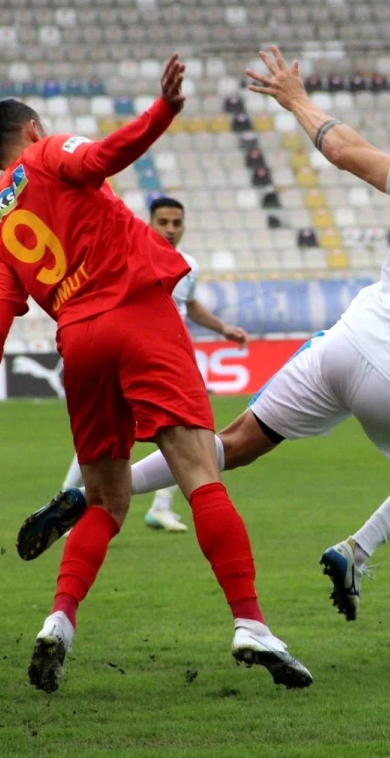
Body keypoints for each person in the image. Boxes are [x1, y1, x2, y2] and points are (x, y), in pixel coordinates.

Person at [15, 46, 390, 623]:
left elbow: (343, 149)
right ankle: (356, 551)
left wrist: (293, 97)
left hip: (341, 346)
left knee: (231, 443)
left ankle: (83, 495)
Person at [0, 53, 312, 693]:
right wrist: (164, 112)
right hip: (137, 312)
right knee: (198, 471)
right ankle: (250, 623)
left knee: (104, 501)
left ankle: (59, 623)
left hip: (79, 341)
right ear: (35, 130)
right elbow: (100, 158)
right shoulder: (47, 155)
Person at [49, 197, 249, 535]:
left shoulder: (188, 264)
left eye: (176, 223)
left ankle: (160, 507)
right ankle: (68, 502)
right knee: (107, 438)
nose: (170, 230)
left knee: (191, 433)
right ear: (149, 223)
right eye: (163, 222)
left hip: (169, 362)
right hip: (132, 359)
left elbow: (190, 304)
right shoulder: (128, 253)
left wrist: (222, 328)